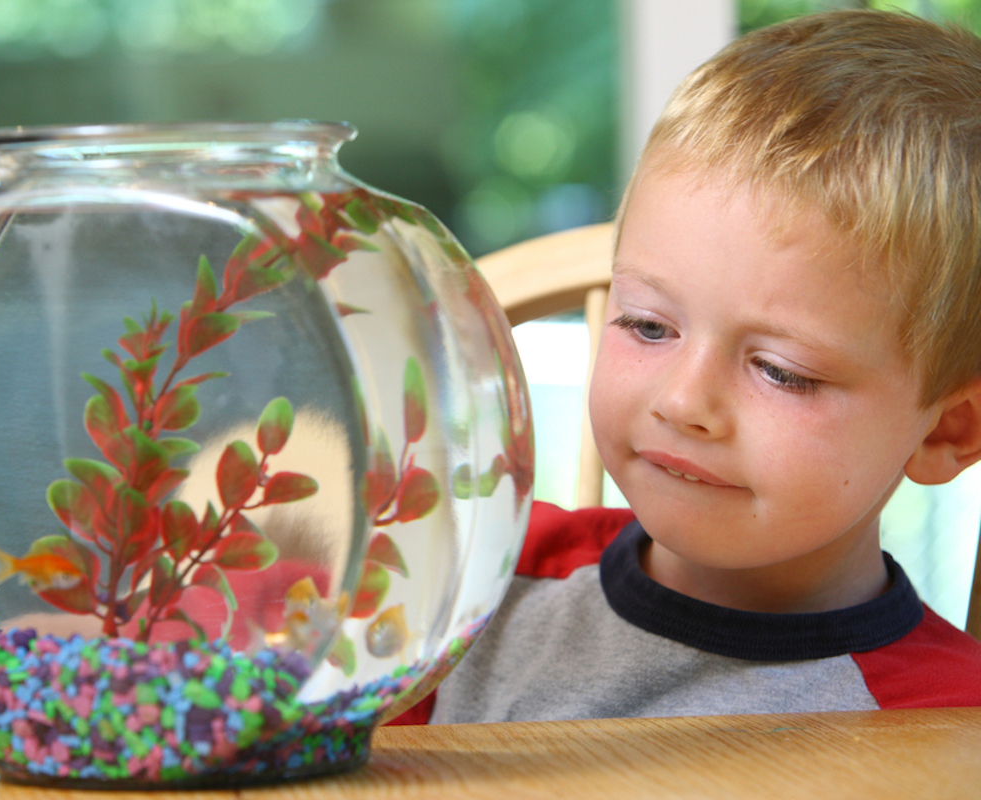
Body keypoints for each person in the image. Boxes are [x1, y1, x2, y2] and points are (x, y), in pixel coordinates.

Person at [393, 8, 981, 725]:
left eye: (781, 371)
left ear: (947, 430)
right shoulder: (460, 585)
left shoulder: (949, 726)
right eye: (647, 325)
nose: (683, 400)